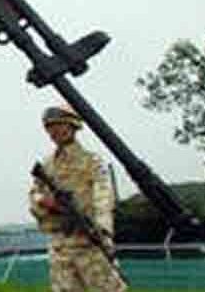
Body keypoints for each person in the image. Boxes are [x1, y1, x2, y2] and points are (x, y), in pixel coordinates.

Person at [29, 106, 127, 292]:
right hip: (61, 247)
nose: (54, 131)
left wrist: (103, 230)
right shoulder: (47, 166)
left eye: (60, 125)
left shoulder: (92, 162)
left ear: (73, 126)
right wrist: (46, 203)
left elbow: (104, 198)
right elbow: (34, 196)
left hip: (89, 243)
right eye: (49, 127)